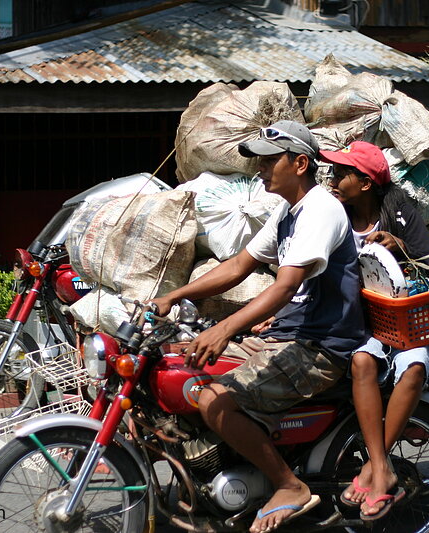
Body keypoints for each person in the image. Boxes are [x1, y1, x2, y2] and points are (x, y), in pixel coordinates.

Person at [151, 120, 366, 533]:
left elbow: (286, 287)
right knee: (182, 372)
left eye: (269, 161)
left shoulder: (321, 210)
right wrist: (174, 297)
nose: (261, 170)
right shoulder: (288, 210)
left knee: (214, 400)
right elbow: (238, 265)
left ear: (300, 163)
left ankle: (289, 486)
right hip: (287, 336)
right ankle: (207, 479)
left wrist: (225, 329)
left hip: (319, 347)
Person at [319, 141, 429, 521]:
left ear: (367, 183)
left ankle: (375, 467)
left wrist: (400, 248)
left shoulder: (399, 212)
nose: (335, 179)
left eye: (343, 173)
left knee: (415, 367)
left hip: (407, 323)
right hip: (362, 325)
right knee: (361, 362)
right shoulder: (333, 214)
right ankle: (380, 464)